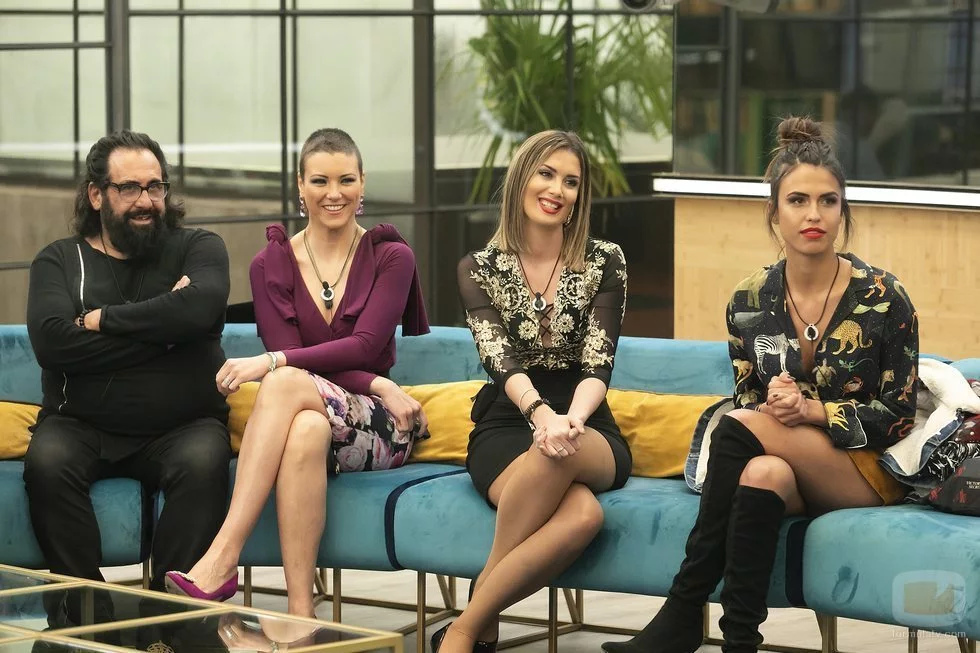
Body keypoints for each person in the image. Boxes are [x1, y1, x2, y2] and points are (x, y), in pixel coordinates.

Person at [602, 116, 918, 653]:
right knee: (760, 472)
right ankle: (739, 641)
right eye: (797, 201)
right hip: (789, 464)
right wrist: (776, 404)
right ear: (774, 212)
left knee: (738, 428)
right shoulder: (748, 300)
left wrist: (814, 412)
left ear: (843, 210)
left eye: (828, 201)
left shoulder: (885, 297)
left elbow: (900, 416)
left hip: (864, 471)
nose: (814, 214)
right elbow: (751, 403)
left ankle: (684, 607)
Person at [165, 128, 430, 618]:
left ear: (363, 183)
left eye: (346, 180)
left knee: (284, 378)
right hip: (317, 414)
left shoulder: (393, 256)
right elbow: (300, 357)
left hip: (380, 425)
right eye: (320, 181)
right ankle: (301, 618)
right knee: (305, 425)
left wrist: (276, 363)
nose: (334, 193)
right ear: (300, 186)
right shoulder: (270, 264)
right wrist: (375, 379)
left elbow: (366, 346)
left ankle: (223, 555)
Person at [24, 130, 232, 623]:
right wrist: (167, 334)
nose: (146, 201)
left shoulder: (199, 246)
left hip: (183, 426)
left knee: (205, 461)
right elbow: (53, 344)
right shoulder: (59, 260)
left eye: (155, 187)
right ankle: (86, 618)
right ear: (97, 195)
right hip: (80, 424)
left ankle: (168, 621)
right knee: (47, 462)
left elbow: (201, 310)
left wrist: (100, 320)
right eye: (129, 188)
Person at [436, 130, 632, 653]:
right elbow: (498, 357)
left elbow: (599, 362)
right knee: (584, 516)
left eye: (571, 181)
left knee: (553, 452)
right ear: (521, 178)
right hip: (507, 421)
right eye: (546, 174)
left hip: (588, 423)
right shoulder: (479, 267)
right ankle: (477, 622)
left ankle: (465, 627)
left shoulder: (605, 260)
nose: (557, 190)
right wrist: (541, 415)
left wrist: (570, 420)